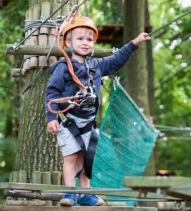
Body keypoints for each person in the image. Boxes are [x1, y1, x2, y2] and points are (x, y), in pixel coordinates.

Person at [45, 15, 151, 207]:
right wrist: (51, 117)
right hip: (68, 120)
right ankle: (70, 193)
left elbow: (117, 60)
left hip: (88, 123)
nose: (85, 43)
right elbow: (52, 92)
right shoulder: (63, 67)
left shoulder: (97, 66)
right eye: (80, 39)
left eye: (89, 39)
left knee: (86, 159)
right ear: (68, 42)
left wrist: (134, 43)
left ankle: (85, 193)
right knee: (70, 157)